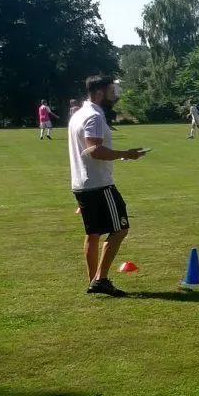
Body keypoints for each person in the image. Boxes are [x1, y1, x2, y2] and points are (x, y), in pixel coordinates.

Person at [68, 75, 146, 296]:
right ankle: (100, 279)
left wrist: (119, 156)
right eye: (111, 89)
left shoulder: (78, 115)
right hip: (99, 184)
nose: (115, 93)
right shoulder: (94, 115)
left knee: (93, 233)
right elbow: (95, 150)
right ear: (100, 92)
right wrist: (127, 154)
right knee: (120, 229)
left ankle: (94, 280)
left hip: (81, 182)